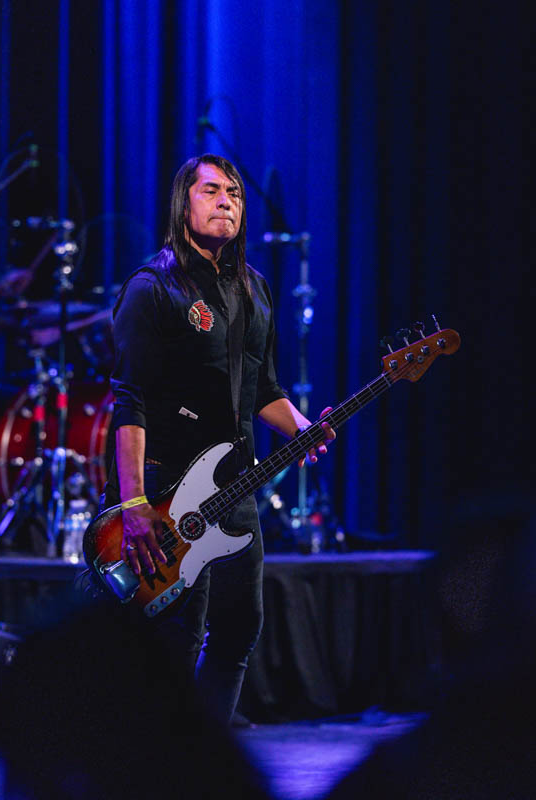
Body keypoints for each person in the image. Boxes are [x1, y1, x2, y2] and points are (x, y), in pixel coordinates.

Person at [105, 153, 336, 724]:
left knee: (238, 630)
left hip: (236, 487)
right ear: (182, 203)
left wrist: (303, 428)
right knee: (178, 636)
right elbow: (129, 401)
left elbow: (265, 390)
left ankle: (201, 753)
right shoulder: (152, 287)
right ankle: (155, 757)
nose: (226, 200)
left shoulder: (255, 289)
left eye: (233, 192)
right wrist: (134, 504)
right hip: (165, 487)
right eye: (210, 190)